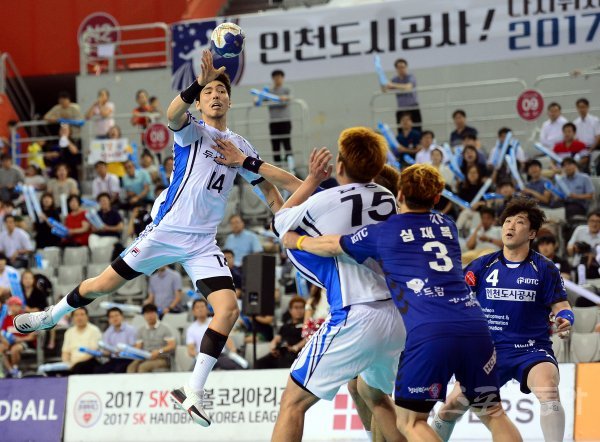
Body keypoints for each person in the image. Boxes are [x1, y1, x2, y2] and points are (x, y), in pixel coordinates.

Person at [14, 49, 301, 428]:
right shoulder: (192, 131)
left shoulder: (241, 147)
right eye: (208, 92)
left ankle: (192, 391)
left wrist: (284, 220)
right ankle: (52, 316)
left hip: (203, 243)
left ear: (230, 101)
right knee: (101, 286)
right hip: (166, 232)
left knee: (228, 310)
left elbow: (270, 191)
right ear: (200, 101)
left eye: (221, 91)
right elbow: (171, 114)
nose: (215, 95)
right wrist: (197, 82)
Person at [283, 163, 522, 442]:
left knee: (411, 422)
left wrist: (297, 241)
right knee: (493, 412)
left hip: (430, 332)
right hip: (474, 325)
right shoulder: (448, 226)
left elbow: (332, 244)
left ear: (399, 195)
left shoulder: (385, 231)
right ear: (437, 198)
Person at [215, 128, 407, 442]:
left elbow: (281, 219)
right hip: (396, 315)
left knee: (293, 402)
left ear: (340, 166)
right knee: (374, 394)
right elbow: (296, 187)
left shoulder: (329, 200)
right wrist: (250, 163)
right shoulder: (386, 197)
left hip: (357, 312)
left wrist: (308, 179)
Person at [432, 198, 572, 442]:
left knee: (549, 390)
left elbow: (562, 306)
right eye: (507, 221)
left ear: (532, 233)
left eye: (519, 222)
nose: (511, 226)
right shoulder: (482, 265)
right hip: (487, 352)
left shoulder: (545, 268)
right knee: (449, 408)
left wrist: (565, 318)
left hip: (531, 350)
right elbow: (456, 302)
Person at [186, 298, 245, 370]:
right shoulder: (191, 329)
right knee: (191, 372)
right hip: (202, 358)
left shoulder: (216, 322)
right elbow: (191, 349)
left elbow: (228, 340)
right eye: (197, 307)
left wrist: (233, 351)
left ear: (207, 309)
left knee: (239, 368)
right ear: (193, 311)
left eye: (202, 306)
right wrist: (196, 356)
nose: (200, 309)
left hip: (219, 356)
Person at [255, 296, 306, 369]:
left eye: (301, 308)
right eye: (296, 308)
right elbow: (276, 338)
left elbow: (307, 339)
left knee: (286, 360)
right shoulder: (285, 326)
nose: (299, 310)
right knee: (260, 363)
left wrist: (296, 347)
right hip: (281, 352)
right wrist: (273, 346)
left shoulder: (306, 325)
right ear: (290, 310)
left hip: (296, 354)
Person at [127, 303, 176, 373]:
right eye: (147, 313)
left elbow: (172, 345)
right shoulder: (141, 330)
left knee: (143, 367)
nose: (149, 316)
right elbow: (138, 347)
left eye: (152, 313)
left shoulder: (165, 328)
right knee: (130, 368)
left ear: (157, 314)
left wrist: (159, 351)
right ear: (144, 316)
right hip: (145, 357)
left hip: (162, 358)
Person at [95, 307, 137, 374]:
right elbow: (107, 351)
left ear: (122, 317)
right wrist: (100, 353)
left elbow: (134, 348)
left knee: (118, 370)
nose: (115, 318)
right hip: (114, 359)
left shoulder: (130, 330)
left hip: (128, 358)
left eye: (117, 315)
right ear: (109, 320)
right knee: (98, 370)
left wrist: (121, 352)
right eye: (112, 317)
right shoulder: (107, 332)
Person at [1, 296, 36, 377]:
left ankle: (15, 368)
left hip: (23, 343)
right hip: (9, 342)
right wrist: (5, 341)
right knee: (1, 349)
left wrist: (19, 339)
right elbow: (2, 333)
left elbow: (32, 336)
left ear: (20, 306)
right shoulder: (7, 319)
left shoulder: (26, 318)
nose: (13, 308)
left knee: (15, 349)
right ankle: (10, 370)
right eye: (10, 305)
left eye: (15, 305)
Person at [62, 307, 102, 374]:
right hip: (72, 363)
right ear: (72, 318)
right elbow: (65, 353)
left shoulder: (94, 330)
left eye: (82, 314)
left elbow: (93, 352)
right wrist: (67, 363)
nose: (79, 317)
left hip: (89, 361)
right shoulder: (69, 332)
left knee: (80, 367)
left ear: (87, 316)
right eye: (76, 315)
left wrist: (75, 363)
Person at [385, 58, 421, 131]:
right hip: (401, 108)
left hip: (412, 107)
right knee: (401, 130)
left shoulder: (411, 77)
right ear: (396, 69)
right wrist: (384, 83)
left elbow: (408, 87)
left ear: (406, 67)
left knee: (417, 129)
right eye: (399, 68)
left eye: (403, 67)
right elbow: (386, 89)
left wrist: (394, 85)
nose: (401, 69)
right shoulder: (395, 79)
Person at [265, 69, 293, 164]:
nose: (277, 79)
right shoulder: (269, 91)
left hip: (285, 121)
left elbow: (290, 97)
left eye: (279, 77)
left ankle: (290, 166)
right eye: (276, 78)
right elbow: (260, 99)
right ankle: (277, 167)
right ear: (273, 79)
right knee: (275, 145)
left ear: (283, 78)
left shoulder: (286, 89)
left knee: (287, 143)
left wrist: (284, 98)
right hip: (274, 122)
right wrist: (257, 99)